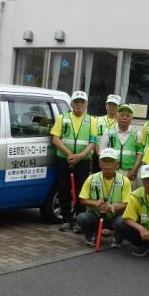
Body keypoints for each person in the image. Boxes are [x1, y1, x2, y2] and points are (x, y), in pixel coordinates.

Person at [50, 91, 99, 232]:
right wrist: (70, 154)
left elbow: (93, 142)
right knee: (64, 188)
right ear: (71, 104)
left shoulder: (92, 120)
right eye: (76, 102)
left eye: (81, 102)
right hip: (64, 158)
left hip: (83, 161)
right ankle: (67, 220)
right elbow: (55, 138)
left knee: (81, 190)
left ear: (86, 104)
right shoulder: (62, 118)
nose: (79, 105)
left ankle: (79, 220)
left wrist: (80, 156)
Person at [77, 148, 132, 247]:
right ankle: (91, 236)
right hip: (96, 215)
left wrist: (111, 208)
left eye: (111, 161)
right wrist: (95, 203)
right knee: (82, 218)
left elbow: (127, 203)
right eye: (104, 161)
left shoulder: (124, 180)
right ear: (99, 164)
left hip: (115, 216)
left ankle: (117, 238)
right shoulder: (92, 178)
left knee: (123, 221)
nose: (107, 164)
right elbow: (82, 200)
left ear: (117, 164)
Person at [100, 104, 143, 189]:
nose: (124, 118)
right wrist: (106, 170)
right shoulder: (108, 132)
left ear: (131, 119)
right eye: (122, 115)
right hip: (112, 172)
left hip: (130, 172)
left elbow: (140, 153)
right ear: (117, 116)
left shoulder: (137, 133)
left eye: (128, 116)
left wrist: (134, 170)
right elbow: (101, 153)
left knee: (129, 197)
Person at [93, 94, 121, 171]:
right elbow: (93, 138)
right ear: (106, 105)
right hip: (97, 154)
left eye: (114, 105)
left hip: (114, 157)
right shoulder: (97, 120)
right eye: (109, 104)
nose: (112, 107)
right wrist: (98, 153)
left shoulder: (121, 122)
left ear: (119, 107)